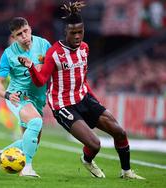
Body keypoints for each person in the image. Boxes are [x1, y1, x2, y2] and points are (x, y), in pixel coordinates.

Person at [18, 1, 145, 179]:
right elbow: (40, 82)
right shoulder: (54, 53)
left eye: (80, 32)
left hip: (84, 98)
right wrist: (31, 66)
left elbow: (82, 79)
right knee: (95, 144)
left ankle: (126, 172)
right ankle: (87, 160)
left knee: (120, 132)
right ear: (65, 32)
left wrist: (95, 102)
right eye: (73, 33)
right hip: (63, 105)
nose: (78, 36)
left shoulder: (85, 48)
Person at [0, 17, 51, 177]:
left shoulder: (44, 45)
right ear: (14, 37)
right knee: (36, 122)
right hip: (19, 98)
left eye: (25, 31)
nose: (24, 36)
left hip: (38, 99)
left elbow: (54, 67)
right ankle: (27, 168)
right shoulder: (8, 54)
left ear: (30, 28)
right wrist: (8, 95)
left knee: (33, 141)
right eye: (19, 34)